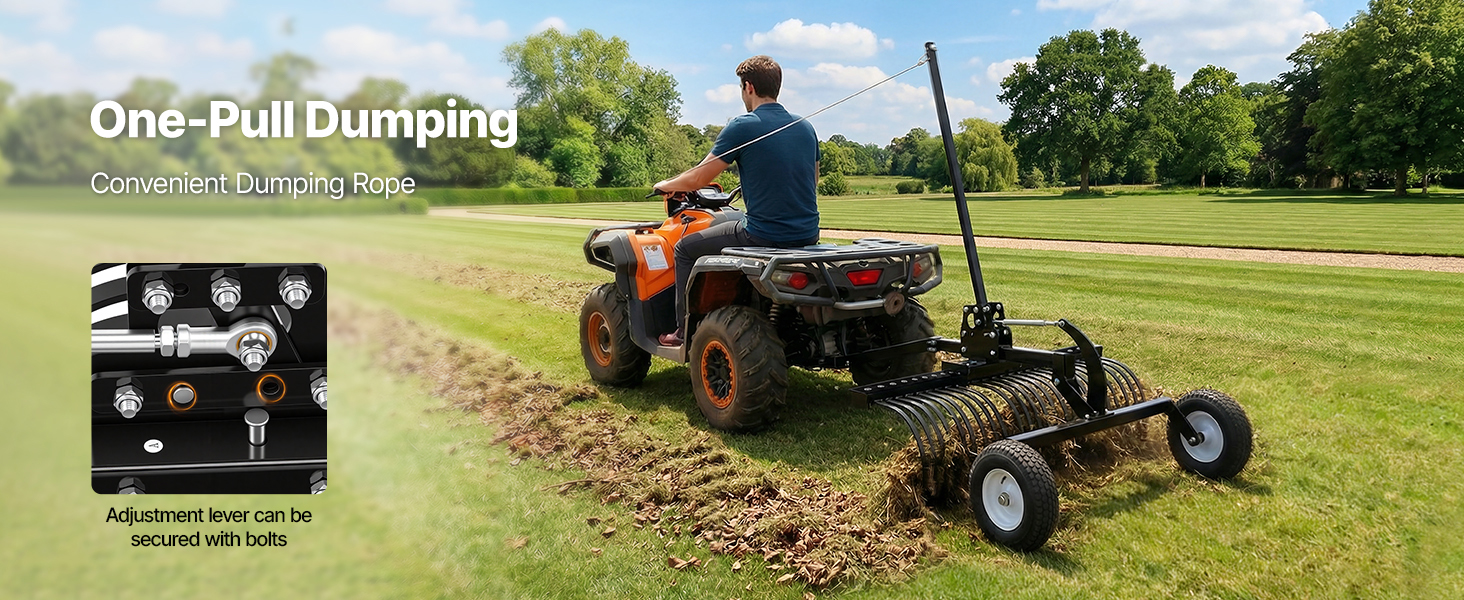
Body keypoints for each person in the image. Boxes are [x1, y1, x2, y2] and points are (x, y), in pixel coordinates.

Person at [652, 55, 821, 346]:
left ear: (749, 87)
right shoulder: (805, 127)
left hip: (763, 235)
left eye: (741, 88)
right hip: (807, 234)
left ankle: (682, 331)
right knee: (737, 220)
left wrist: (665, 185)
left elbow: (698, 179)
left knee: (684, 248)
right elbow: (812, 180)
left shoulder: (743, 125)